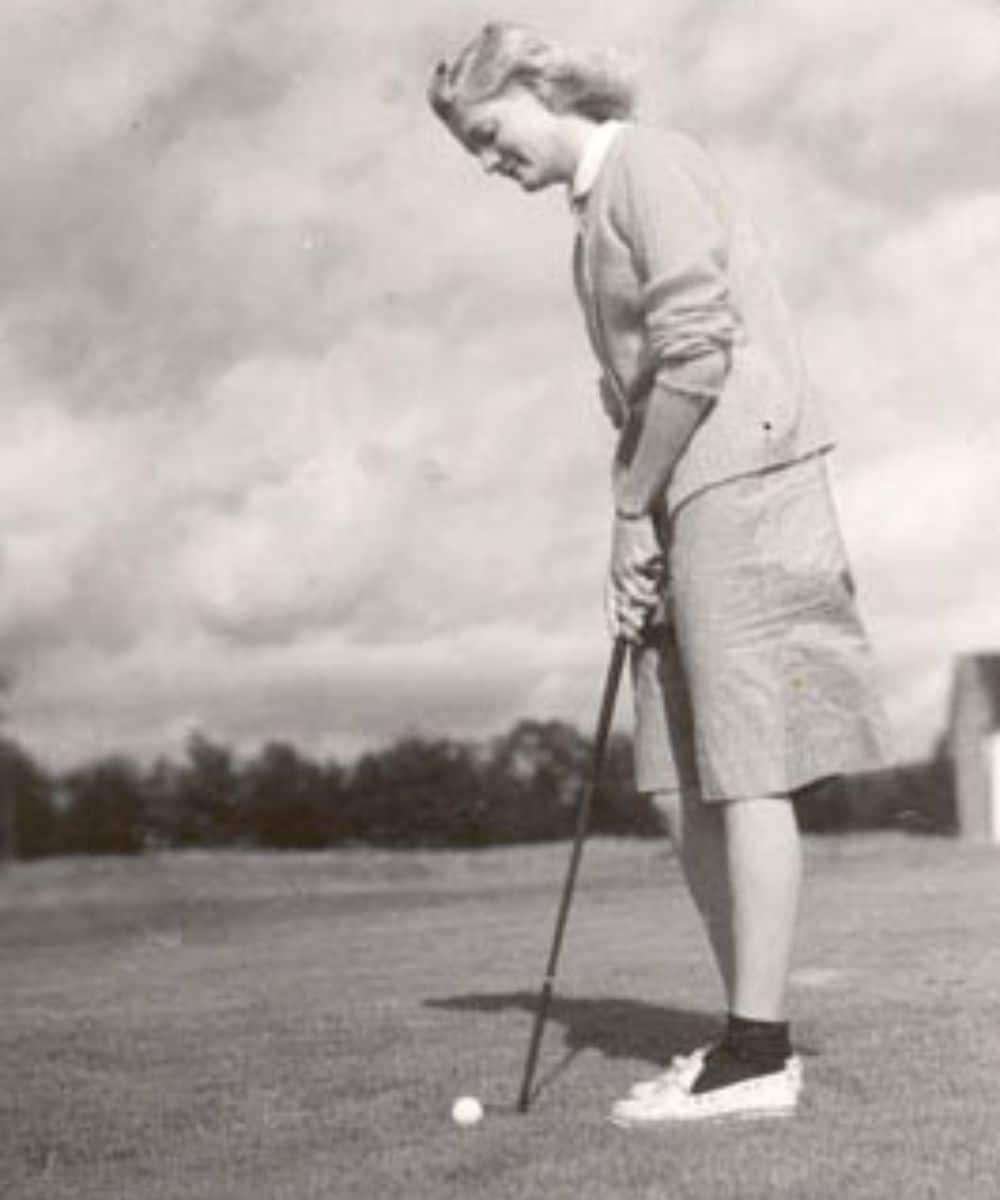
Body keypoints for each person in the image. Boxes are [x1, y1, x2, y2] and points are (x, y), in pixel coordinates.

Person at [428, 23, 888, 1126]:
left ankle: (759, 1054)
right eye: (475, 156)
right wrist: (626, 522)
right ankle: (743, 1029)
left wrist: (635, 505)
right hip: (675, 494)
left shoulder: (653, 163)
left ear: (541, 89)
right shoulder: (590, 220)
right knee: (675, 781)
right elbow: (631, 396)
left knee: (745, 763)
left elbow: (696, 344)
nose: (492, 166)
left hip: (744, 473)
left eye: (491, 137)